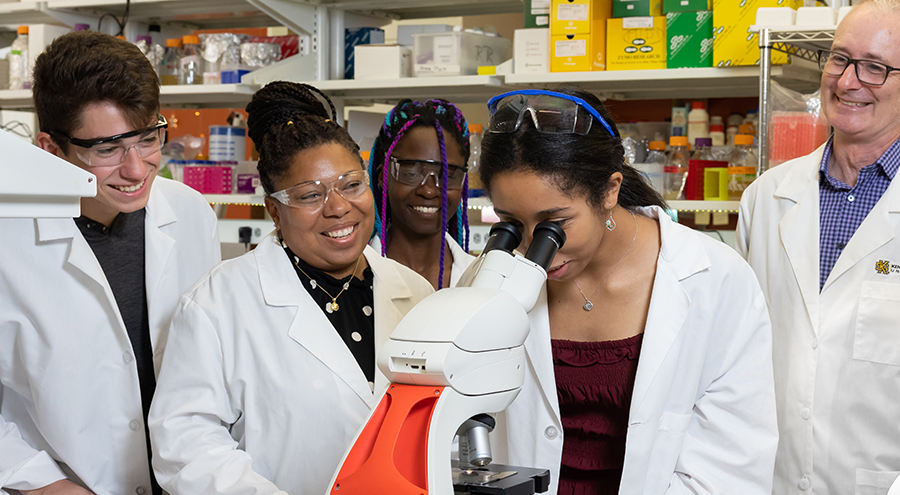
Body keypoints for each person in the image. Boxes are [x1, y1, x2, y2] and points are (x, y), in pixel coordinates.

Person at [479, 88, 777, 494]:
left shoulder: (714, 280)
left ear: (609, 189)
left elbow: (731, 464)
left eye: (555, 224)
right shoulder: (492, 277)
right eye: (511, 222)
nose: (537, 252)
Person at [148, 81, 434, 494]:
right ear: (275, 212)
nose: (338, 207)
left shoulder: (414, 292)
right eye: (310, 195)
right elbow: (187, 445)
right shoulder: (218, 303)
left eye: (351, 184)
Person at [0, 32, 221, 495]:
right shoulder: (7, 241)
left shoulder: (191, 213)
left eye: (147, 139)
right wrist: (43, 483)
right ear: (50, 150)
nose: (138, 169)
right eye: (107, 150)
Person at [736, 1, 900, 492]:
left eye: (876, 68)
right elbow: (737, 355)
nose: (849, 81)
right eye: (839, 59)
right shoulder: (766, 197)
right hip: (771, 479)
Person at [368, 99, 475, 289]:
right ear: (382, 176)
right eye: (411, 173)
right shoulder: (352, 275)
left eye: (448, 176)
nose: (429, 190)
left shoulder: (481, 280)